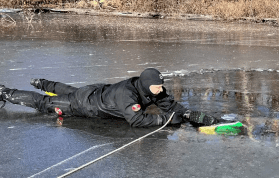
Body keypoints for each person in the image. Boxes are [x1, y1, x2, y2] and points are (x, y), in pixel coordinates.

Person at [0, 68, 219, 127]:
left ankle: (41, 82)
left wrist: (188, 113)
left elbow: (168, 104)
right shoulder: (128, 95)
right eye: (156, 87)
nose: (160, 90)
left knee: (69, 89)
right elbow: (136, 120)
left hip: (96, 91)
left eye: (161, 86)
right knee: (44, 103)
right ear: (145, 85)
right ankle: (6, 92)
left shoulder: (150, 88)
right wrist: (167, 120)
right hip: (85, 105)